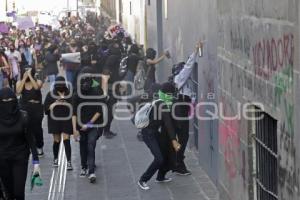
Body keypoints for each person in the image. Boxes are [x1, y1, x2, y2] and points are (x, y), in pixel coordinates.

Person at [138, 82, 181, 190]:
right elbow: (168, 123)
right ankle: (143, 179)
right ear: (167, 94)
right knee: (159, 158)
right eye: (171, 94)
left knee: (165, 153)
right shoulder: (162, 104)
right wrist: (174, 140)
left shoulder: (160, 99)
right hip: (148, 134)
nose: (172, 96)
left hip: (155, 132)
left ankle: (160, 177)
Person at [0, 88, 40, 200]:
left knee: (19, 191)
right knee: (9, 192)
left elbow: (31, 139)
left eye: (10, 99)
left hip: (20, 157)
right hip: (2, 159)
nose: (7, 102)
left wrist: (36, 161)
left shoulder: (23, 116)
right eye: (4, 100)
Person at [172, 42, 202, 175]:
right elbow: (189, 67)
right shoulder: (179, 79)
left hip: (181, 110)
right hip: (179, 111)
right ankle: (178, 162)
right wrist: (196, 51)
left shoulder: (183, 83)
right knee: (183, 138)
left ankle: (178, 162)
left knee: (182, 138)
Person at [72, 67, 105, 183]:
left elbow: (99, 111)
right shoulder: (76, 94)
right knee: (83, 146)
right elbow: (74, 113)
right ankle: (83, 166)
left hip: (93, 125)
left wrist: (89, 124)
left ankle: (91, 171)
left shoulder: (96, 92)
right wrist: (74, 130)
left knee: (90, 145)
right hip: (80, 126)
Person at [44, 76, 73, 170]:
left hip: (66, 119)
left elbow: (74, 107)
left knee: (66, 139)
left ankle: (69, 161)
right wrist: (54, 103)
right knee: (56, 140)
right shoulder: (50, 94)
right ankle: (55, 158)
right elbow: (46, 109)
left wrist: (66, 103)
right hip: (54, 120)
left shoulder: (69, 94)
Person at [16, 68, 44, 156]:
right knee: (26, 129)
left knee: (37, 129)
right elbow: (18, 91)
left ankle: (39, 145)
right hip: (25, 109)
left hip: (36, 109)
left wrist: (31, 76)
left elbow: (36, 87)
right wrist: (24, 78)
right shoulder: (19, 82)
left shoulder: (38, 81)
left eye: (28, 72)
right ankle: (30, 147)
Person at [101, 42, 122, 139]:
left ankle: (107, 130)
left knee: (111, 113)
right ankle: (106, 131)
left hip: (114, 92)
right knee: (109, 113)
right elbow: (104, 80)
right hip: (110, 93)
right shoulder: (107, 69)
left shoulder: (113, 69)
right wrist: (105, 94)